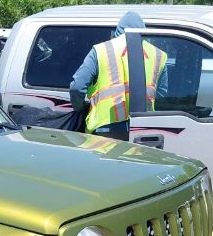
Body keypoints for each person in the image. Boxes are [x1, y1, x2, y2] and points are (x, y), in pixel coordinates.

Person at [70, 11, 168, 140]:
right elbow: (161, 95)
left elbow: (77, 87)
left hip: (104, 129)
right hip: (142, 130)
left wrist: (80, 108)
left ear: (117, 31)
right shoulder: (159, 55)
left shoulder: (101, 50)